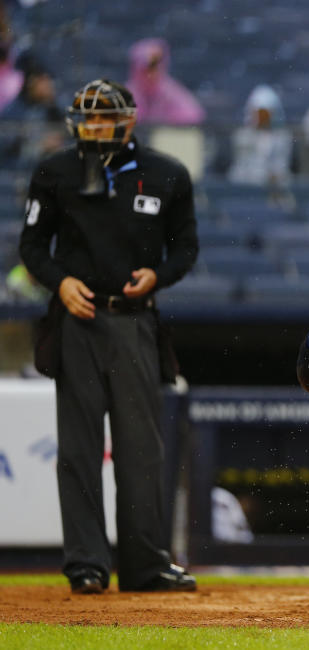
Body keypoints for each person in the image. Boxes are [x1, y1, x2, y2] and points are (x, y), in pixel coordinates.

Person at [18, 79, 199, 594]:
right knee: (78, 449)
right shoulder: (56, 172)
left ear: (128, 121)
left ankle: (145, 565)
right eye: (86, 118)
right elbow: (32, 246)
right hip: (77, 321)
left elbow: (185, 248)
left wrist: (157, 277)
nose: (92, 127)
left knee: (140, 448)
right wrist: (61, 281)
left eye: (102, 119)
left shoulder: (166, 175)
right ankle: (87, 565)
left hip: (134, 320)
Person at [125, 38, 205, 126]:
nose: (151, 73)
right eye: (146, 68)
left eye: (155, 67)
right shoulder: (128, 95)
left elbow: (194, 116)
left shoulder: (171, 93)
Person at [227, 84, 293, 187]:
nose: (261, 117)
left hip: (273, 188)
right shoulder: (242, 136)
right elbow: (242, 166)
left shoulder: (282, 137)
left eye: (265, 113)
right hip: (245, 185)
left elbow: (280, 167)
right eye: (258, 112)